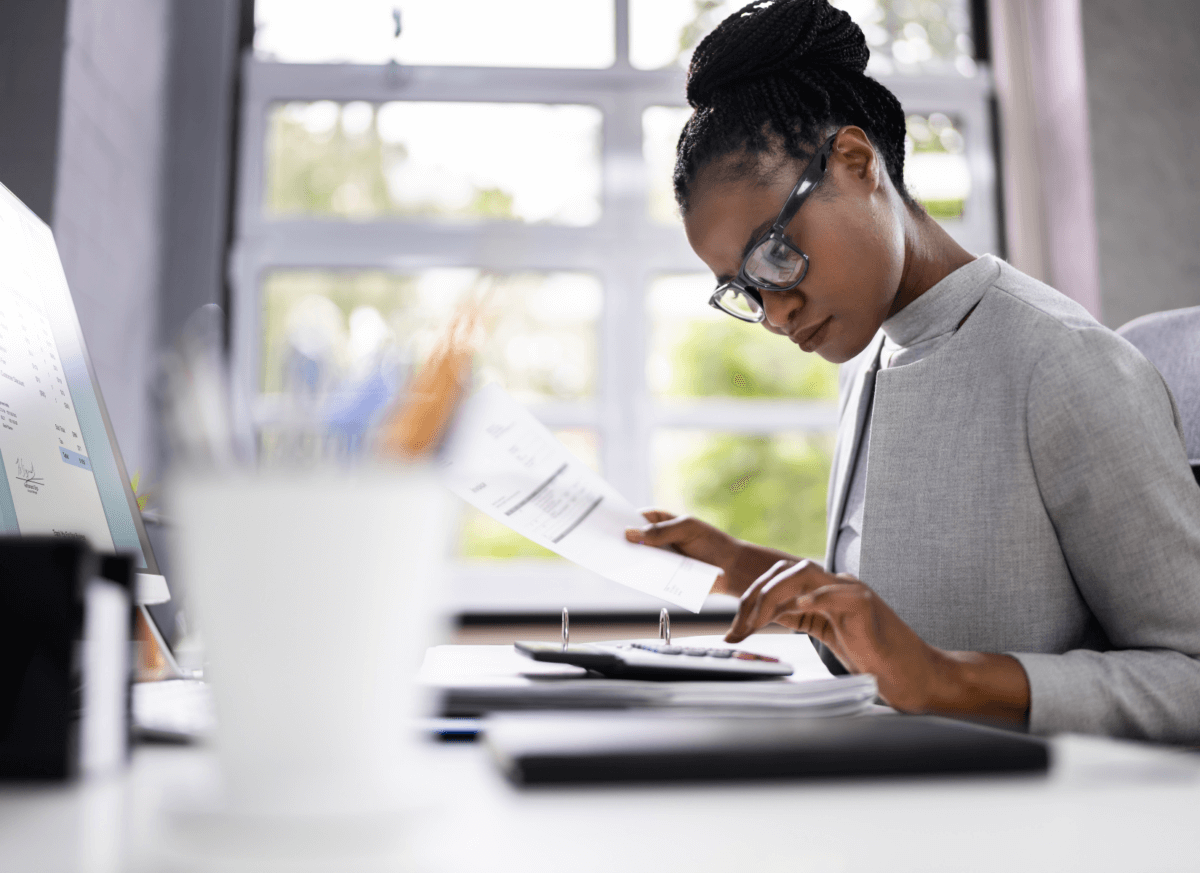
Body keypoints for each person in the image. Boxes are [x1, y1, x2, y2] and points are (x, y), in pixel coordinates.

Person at [625, 0, 1200, 742]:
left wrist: (950, 680)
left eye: (773, 253)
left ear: (856, 162)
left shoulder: (1063, 363)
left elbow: (1190, 669)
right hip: (890, 777)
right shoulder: (871, 355)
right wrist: (740, 565)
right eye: (745, 289)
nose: (774, 313)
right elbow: (901, 622)